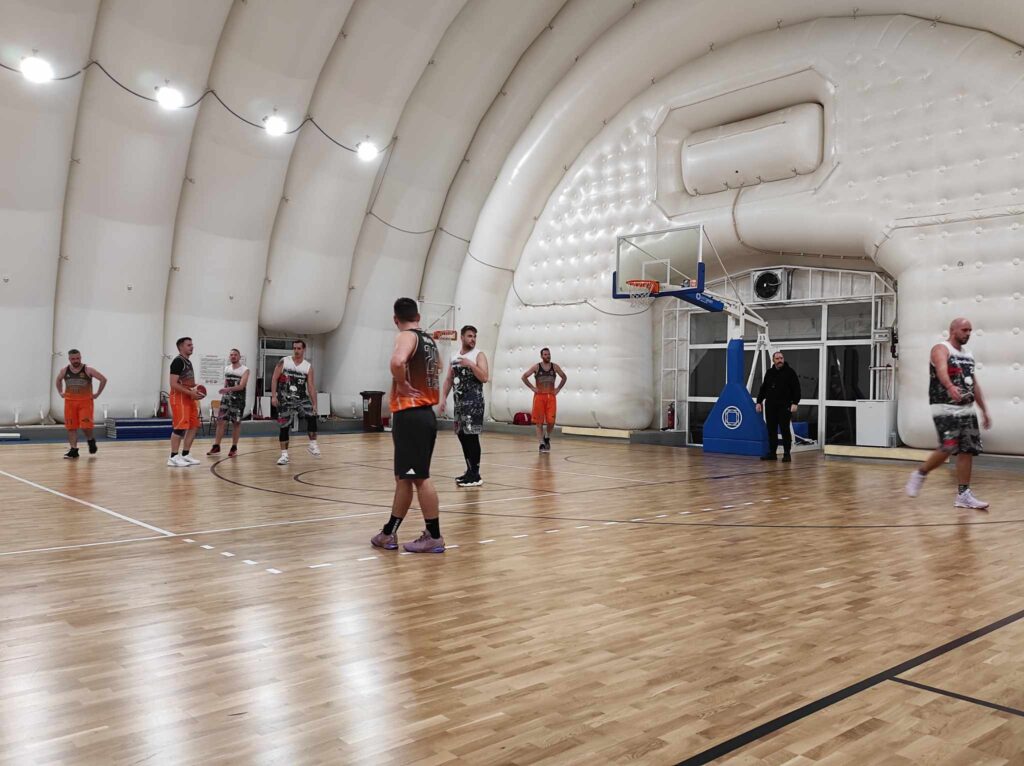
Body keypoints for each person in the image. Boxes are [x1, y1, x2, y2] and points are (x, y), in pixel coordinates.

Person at [371, 297, 445, 553]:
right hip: (424, 415)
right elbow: (438, 368)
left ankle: (434, 536)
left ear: (395, 319)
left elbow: (397, 361)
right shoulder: (430, 341)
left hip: (411, 414)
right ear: (418, 316)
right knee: (404, 478)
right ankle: (388, 533)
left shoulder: (406, 336)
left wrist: (402, 383)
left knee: (420, 478)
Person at [906, 318, 991, 509]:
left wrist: (984, 410)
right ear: (953, 330)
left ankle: (963, 495)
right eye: (964, 330)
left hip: (967, 409)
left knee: (967, 449)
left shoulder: (968, 354)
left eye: (970, 330)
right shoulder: (941, 349)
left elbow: (974, 384)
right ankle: (920, 473)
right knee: (948, 446)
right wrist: (950, 386)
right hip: (944, 407)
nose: (968, 333)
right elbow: (942, 370)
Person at [439, 325, 488, 487]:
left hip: (474, 403)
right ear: (462, 337)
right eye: (469, 336)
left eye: (474, 336)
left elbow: (484, 377)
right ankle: (469, 470)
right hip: (459, 404)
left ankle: (476, 474)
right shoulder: (454, 356)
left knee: (472, 436)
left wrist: (471, 365)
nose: (473, 339)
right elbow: (449, 379)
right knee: (462, 436)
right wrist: (443, 398)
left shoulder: (478, 355)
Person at [270, 340, 320, 465]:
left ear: (304, 350)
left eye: (299, 348)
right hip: (285, 399)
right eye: (294, 348)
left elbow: (311, 386)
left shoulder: (308, 367)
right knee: (284, 426)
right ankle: (284, 455)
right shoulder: (284, 361)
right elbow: (274, 379)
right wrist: (273, 396)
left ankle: (312, 444)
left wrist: (314, 403)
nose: (296, 351)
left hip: (301, 398)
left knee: (312, 415)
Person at [54, 349, 107, 459]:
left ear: (81, 357)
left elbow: (103, 379)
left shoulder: (88, 369)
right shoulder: (64, 371)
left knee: (85, 426)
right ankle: (73, 450)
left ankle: (90, 440)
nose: (76, 361)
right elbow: (58, 380)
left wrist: (97, 393)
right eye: (73, 359)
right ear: (69, 359)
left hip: (85, 403)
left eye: (78, 358)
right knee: (71, 427)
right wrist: (60, 392)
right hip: (70, 403)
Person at [756, 351, 801, 462]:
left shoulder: (790, 372)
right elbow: (763, 388)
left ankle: (787, 454)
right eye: (777, 358)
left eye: (781, 358)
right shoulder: (769, 372)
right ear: (773, 360)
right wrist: (759, 402)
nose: (780, 360)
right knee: (771, 430)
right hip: (770, 406)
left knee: (785, 429)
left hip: (784, 406)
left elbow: (796, 388)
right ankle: (772, 453)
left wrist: (795, 402)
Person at [521, 347, 567, 452]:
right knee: (539, 422)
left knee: (551, 421)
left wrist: (558, 388)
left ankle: (547, 436)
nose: (548, 356)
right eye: (545, 354)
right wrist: (532, 388)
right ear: (541, 356)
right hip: (539, 397)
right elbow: (524, 377)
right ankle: (541, 443)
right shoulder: (537, 367)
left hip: (551, 396)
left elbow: (564, 377)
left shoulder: (555, 367)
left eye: (549, 354)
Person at [207, 348, 249, 457]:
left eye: (235, 354)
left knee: (236, 423)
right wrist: (225, 391)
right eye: (231, 355)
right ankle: (216, 446)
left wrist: (227, 389)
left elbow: (241, 386)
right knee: (220, 421)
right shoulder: (227, 368)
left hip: (238, 400)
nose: (233, 356)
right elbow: (226, 383)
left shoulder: (245, 370)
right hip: (226, 399)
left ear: (239, 357)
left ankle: (234, 447)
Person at [168, 337, 202, 467]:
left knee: (194, 425)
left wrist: (197, 389)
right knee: (180, 427)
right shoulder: (178, 361)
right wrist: (190, 392)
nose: (192, 347)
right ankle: (173, 457)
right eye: (188, 345)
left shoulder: (188, 362)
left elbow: (187, 383)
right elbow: (173, 383)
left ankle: (186, 454)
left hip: (189, 397)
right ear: (181, 347)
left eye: (192, 344)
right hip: (179, 398)